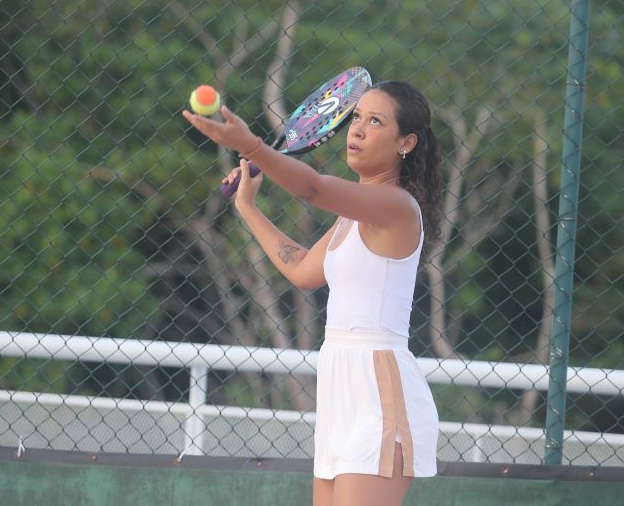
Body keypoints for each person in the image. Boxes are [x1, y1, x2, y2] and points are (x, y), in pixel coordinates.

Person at [183, 79, 442, 506]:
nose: (356, 130)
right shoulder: (354, 215)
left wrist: (251, 145)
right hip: (339, 391)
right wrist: (247, 207)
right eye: (355, 117)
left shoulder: (395, 206)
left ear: (406, 143)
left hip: (380, 394)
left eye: (375, 121)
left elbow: (314, 188)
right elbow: (303, 270)